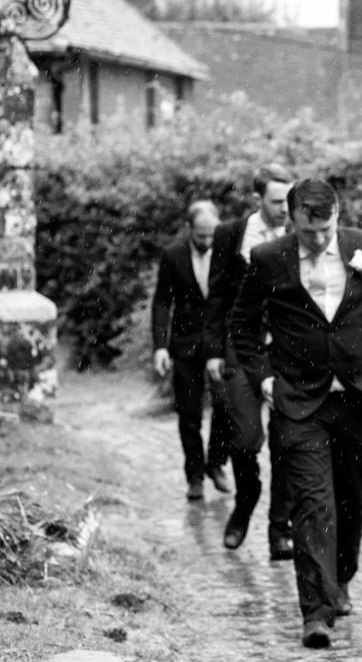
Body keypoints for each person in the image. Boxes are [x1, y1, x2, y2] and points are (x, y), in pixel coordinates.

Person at [229, 178, 362, 650]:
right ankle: (315, 611)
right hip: (297, 400)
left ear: (337, 214)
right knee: (311, 502)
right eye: (307, 231)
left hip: (357, 397)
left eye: (325, 229)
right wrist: (263, 378)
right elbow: (242, 324)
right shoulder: (269, 257)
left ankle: (342, 580)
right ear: (291, 219)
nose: (317, 239)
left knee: (353, 498)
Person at [204, 163, 296, 559]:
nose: (286, 209)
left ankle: (280, 529)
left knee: (287, 442)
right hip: (243, 349)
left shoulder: (303, 233)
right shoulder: (229, 235)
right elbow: (217, 297)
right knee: (243, 439)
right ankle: (246, 499)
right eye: (277, 202)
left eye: (289, 200)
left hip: (290, 353)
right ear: (258, 200)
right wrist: (211, 350)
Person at [150, 200, 233, 502]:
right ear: (189, 230)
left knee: (225, 406)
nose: (207, 242)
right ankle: (194, 476)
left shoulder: (229, 253)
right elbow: (162, 302)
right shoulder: (173, 256)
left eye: (212, 235)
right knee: (189, 415)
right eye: (201, 236)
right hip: (184, 345)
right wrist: (160, 346)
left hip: (220, 345)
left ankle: (217, 464)